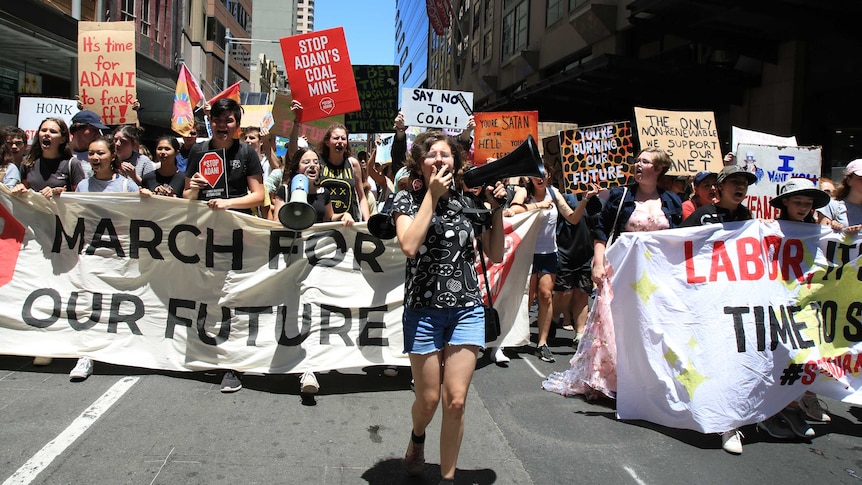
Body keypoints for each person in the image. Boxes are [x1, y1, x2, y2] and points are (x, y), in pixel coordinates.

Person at [392, 130, 505, 484]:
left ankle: (447, 478)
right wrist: (432, 197)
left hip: (466, 309)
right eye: (432, 155)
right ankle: (417, 437)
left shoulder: (469, 203)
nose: (440, 159)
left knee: (455, 400)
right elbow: (410, 245)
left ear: (456, 163)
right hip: (423, 311)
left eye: (446, 155)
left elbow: (497, 253)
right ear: (420, 164)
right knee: (428, 401)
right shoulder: (404, 201)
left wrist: (496, 210)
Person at [543, 148, 682, 400]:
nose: (638, 165)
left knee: (652, 326)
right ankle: (614, 379)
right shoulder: (620, 197)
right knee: (619, 326)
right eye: (637, 160)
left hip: (659, 276)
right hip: (624, 273)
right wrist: (598, 262)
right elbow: (601, 231)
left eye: (645, 162)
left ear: (659, 169)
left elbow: (679, 237)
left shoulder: (672, 201)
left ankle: (649, 378)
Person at [183, 98, 265, 392]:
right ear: (211, 123)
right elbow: (186, 197)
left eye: (229, 121)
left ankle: (234, 363)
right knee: (209, 295)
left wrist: (228, 204)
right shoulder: (198, 151)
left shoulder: (246, 152)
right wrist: (192, 189)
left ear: (237, 126)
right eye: (218, 121)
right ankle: (208, 352)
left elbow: (259, 196)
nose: (222, 126)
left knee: (235, 296)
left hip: (238, 236)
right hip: (205, 237)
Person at [680, 164, 757, 454]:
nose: (740, 188)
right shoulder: (702, 215)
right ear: (720, 187)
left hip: (736, 298)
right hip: (707, 297)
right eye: (735, 182)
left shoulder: (748, 217)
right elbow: (677, 246)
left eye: (745, 184)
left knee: (734, 357)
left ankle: (730, 422)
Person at [755, 178, 831, 440]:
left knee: (804, 356)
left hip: (804, 305)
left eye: (808, 204)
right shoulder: (768, 229)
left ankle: (793, 406)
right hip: (773, 304)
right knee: (776, 357)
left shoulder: (818, 232)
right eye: (798, 202)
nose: (803, 208)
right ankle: (771, 411)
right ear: (784, 202)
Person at [508, 172, 600, 363]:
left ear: (550, 175)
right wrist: (538, 206)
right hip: (527, 253)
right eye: (535, 176)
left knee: (545, 295)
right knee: (527, 297)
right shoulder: (523, 192)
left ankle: (542, 343)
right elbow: (513, 210)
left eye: (543, 175)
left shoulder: (554, 192)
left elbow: (573, 218)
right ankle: (513, 337)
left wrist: (584, 200)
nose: (540, 179)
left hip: (549, 253)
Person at [12, 117, 84, 204]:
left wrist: (59, 193)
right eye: (44, 130)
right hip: (33, 216)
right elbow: (24, 192)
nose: (47, 134)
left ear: (62, 139)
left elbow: (80, 197)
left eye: (53, 132)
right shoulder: (27, 163)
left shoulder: (72, 164)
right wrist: (19, 188)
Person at [817, 159, 862, 232]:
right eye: (861, 178)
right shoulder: (831, 206)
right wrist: (833, 227)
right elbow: (820, 238)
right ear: (849, 181)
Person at [68, 110, 109, 178]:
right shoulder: (63, 153)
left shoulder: (101, 155)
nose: (98, 134)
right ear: (78, 128)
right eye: (93, 130)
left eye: (98, 130)